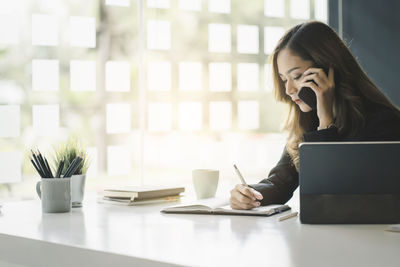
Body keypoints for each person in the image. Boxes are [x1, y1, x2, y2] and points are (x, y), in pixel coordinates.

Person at [230, 21, 400, 210]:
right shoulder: (307, 119)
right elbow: (279, 182)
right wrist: (248, 194)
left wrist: (326, 124)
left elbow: (329, 197)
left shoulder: (383, 123)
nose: (289, 89)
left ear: (328, 70)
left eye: (296, 77)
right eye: (284, 79)